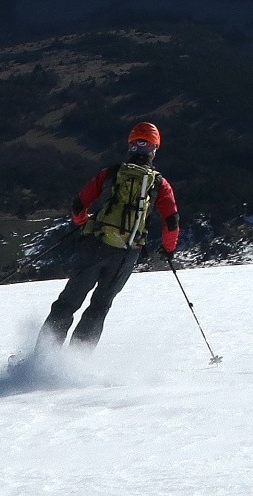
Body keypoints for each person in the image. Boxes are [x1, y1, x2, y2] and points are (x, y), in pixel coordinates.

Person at [38, 121, 180, 351]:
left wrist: (84, 223)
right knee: (99, 307)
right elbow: (172, 222)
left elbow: (79, 204)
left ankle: (44, 356)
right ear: (154, 149)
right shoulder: (160, 184)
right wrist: (168, 249)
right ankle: (76, 362)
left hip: (96, 245)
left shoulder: (112, 173)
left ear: (131, 145)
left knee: (67, 303)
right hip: (126, 254)